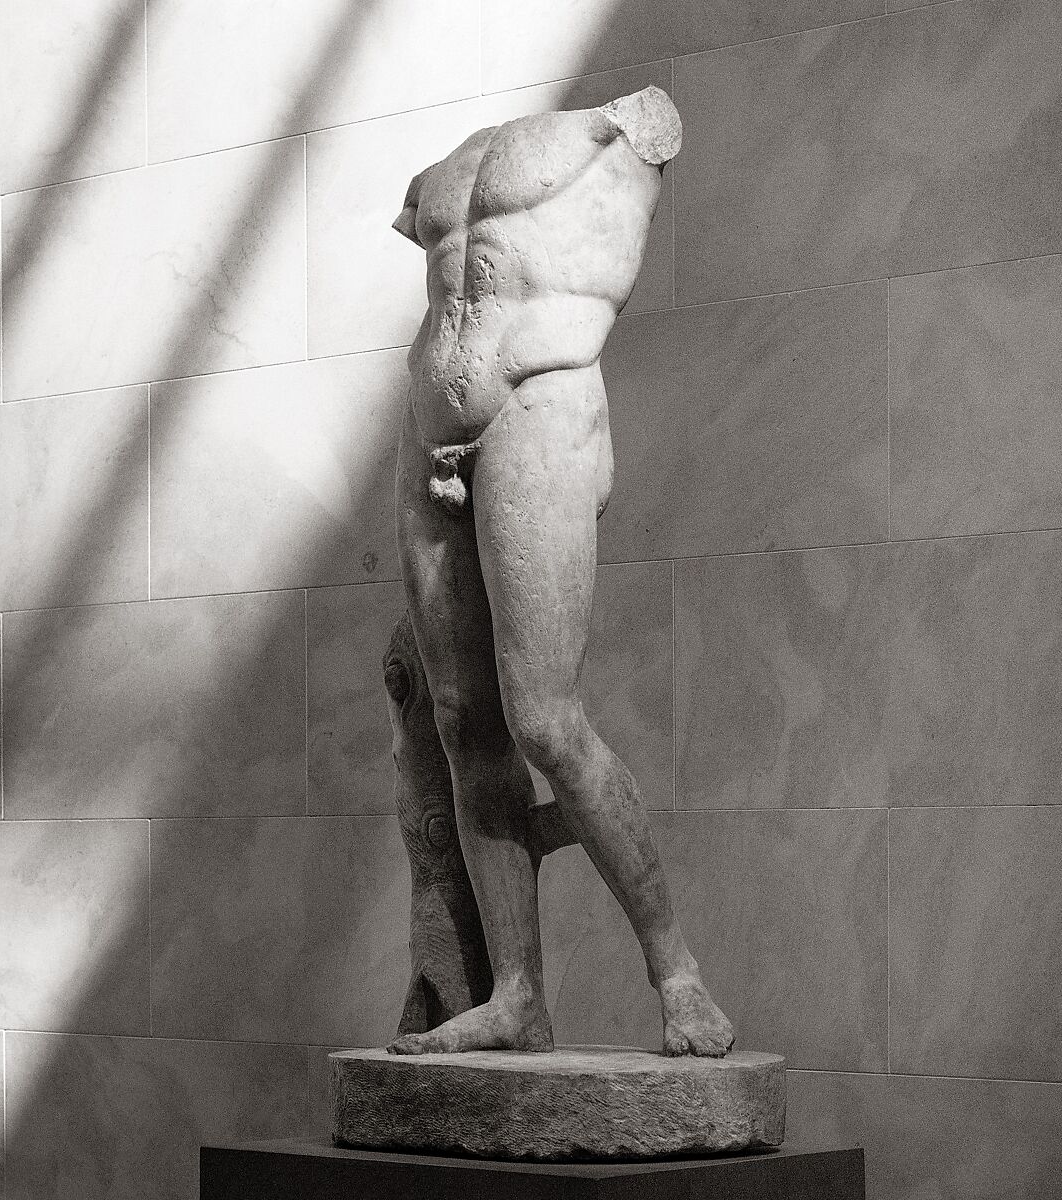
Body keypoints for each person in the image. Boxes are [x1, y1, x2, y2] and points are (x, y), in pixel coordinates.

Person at [388, 87, 734, 1058]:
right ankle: (517, 996)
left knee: (543, 716)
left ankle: (677, 973)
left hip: (541, 405)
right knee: (464, 725)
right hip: (427, 433)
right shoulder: (445, 167)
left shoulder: (624, 126)